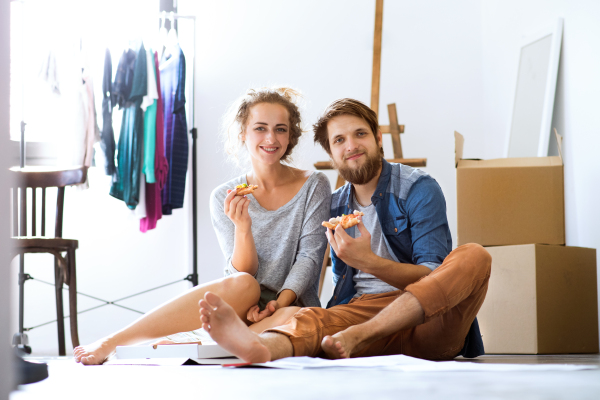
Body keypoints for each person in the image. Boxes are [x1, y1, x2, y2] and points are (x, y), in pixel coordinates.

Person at [196, 98, 492, 363]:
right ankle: (261, 348)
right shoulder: (335, 207)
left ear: (378, 138)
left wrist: (369, 262)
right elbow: (340, 281)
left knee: (474, 256)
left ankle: (362, 334)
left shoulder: (417, 187)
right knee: (312, 319)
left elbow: (434, 276)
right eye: (339, 140)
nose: (351, 146)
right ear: (331, 155)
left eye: (360, 134)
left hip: (426, 320)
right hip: (358, 315)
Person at [73, 87, 331, 365]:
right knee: (245, 284)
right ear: (243, 133)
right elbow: (242, 273)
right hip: (241, 301)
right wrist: (242, 227)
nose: (271, 138)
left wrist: (277, 304)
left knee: (295, 316)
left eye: (281, 129)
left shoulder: (314, 184)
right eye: (260, 128)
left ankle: (202, 342)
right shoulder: (224, 195)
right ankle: (113, 341)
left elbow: (309, 258)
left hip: (287, 305)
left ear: (290, 135)